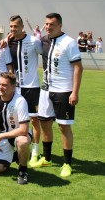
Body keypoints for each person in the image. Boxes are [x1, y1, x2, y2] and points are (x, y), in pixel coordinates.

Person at [33, 13, 83, 178]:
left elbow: (78, 67)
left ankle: (67, 163)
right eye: (46, 24)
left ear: (60, 25)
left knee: (63, 126)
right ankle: (47, 158)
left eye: (52, 24)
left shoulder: (69, 42)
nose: (48, 27)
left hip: (63, 91)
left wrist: (74, 92)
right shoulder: (45, 40)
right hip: (46, 90)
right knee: (44, 123)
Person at [8, 15, 43, 166]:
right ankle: (17, 148)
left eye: (15, 26)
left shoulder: (34, 41)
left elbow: (44, 54)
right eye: (11, 26)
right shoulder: (9, 42)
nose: (13, 29)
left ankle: (35, 152)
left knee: (34, 120)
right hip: (16, 88)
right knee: (15, 119)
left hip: (32, 88)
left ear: (22, 27)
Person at [0, 72, 31, 184]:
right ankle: (14, 157)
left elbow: (23, 130)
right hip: (3, 137)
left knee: (22, 142)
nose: (0, 87)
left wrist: (0, 136)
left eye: (4, 85)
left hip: (19, 135)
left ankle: (22, 171)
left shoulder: (20, 101)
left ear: (13, 87)